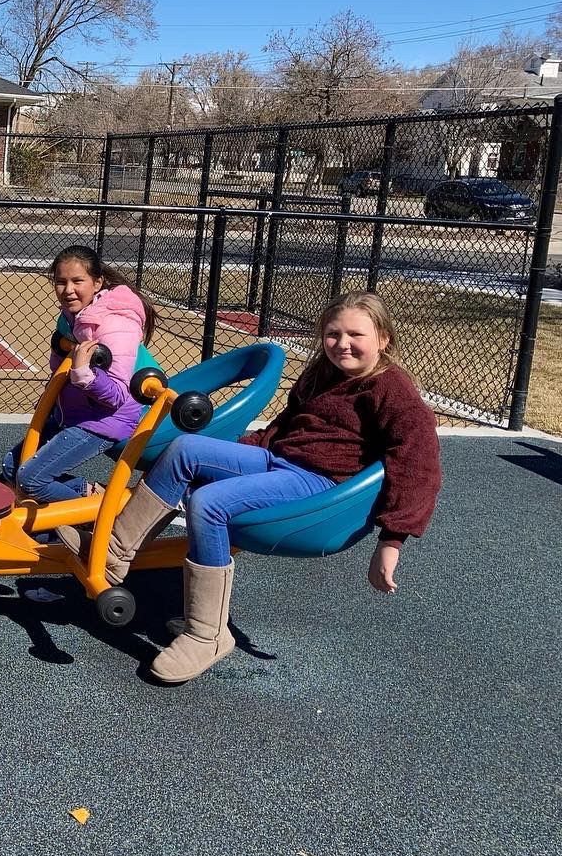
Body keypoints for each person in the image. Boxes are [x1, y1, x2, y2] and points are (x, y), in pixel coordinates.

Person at [65, 291, 442, 684]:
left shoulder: (391, 389)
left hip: (317, 482)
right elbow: (287, 427)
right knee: (185, 450)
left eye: (355, 335)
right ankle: (114, 553)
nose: (342, 344)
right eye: (332, 334)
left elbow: (418, 462)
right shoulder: (322, 372)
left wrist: (392, 541)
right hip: (277, 459)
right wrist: (229, 454)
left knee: (210, 503)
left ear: (383, 338)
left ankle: (208, 634)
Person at [2, 245, 155, 503]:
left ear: (97, 283)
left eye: (77, 281)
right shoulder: (73, 316)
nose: (68, 290)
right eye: (61, 282)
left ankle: (100, 514)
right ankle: (85, 493)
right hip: (74, 412)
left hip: (107, 420)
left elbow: (117, 395)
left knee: (31, 480)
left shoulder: (116, 323)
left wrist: (84, 373)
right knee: (11, 467)